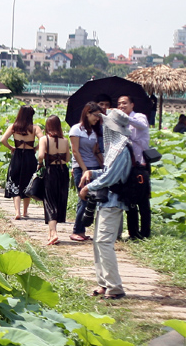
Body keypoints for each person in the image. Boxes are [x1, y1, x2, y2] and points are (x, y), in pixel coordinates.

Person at [78, 109, 132, 300]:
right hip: (106, 201)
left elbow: (111, 177)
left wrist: (88, 187)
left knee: (104, 242)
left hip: (114, 202)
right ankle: (103, 283)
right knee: (97, 243)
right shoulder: (115, 149)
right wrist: (92, 172)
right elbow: (107, 173)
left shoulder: (122, 149)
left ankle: (115, 287)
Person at [69, 102, 104, 242]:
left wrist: (104, 166)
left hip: (94, 167)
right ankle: (77, 231)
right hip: (81, 168)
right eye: (96, 115)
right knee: (85, 199)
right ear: (87, 113)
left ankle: (82, 231)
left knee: (91, 200)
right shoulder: (76, 129)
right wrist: (84, 169)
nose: (97, 118)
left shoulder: (95, 131)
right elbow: (75, 151)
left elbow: (95, 151)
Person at [1, 106, 44, 220]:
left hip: (17, 156)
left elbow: (2, 140)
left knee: (15, 182)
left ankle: (17, 212)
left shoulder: (14, 127)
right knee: (28, 182)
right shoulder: (35, 128)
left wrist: (11, 147)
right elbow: (43, 139)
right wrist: (36, 148)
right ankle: (25, 211)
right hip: (30, 156)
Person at [118, 95, 151, 240]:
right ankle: (133, 232)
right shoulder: (120, 122)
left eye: (124, 103)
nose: (121, 106)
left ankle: (145, 233)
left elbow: (142, 126)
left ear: (132, 104)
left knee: (143, 202)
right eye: (119, 104)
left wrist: (125, 120)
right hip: (127, 167)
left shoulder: (139, 117)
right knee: (130, 200)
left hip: (141, 165)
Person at [38, 115, 71, 245]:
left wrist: (40, 162)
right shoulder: (65, 140)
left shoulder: (44, 139)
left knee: (50, 201)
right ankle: (51, 232)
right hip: (63, 172)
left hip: (50, 171)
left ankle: (54, 233)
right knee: (59, 200)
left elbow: (40, 155)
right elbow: (67, 159)